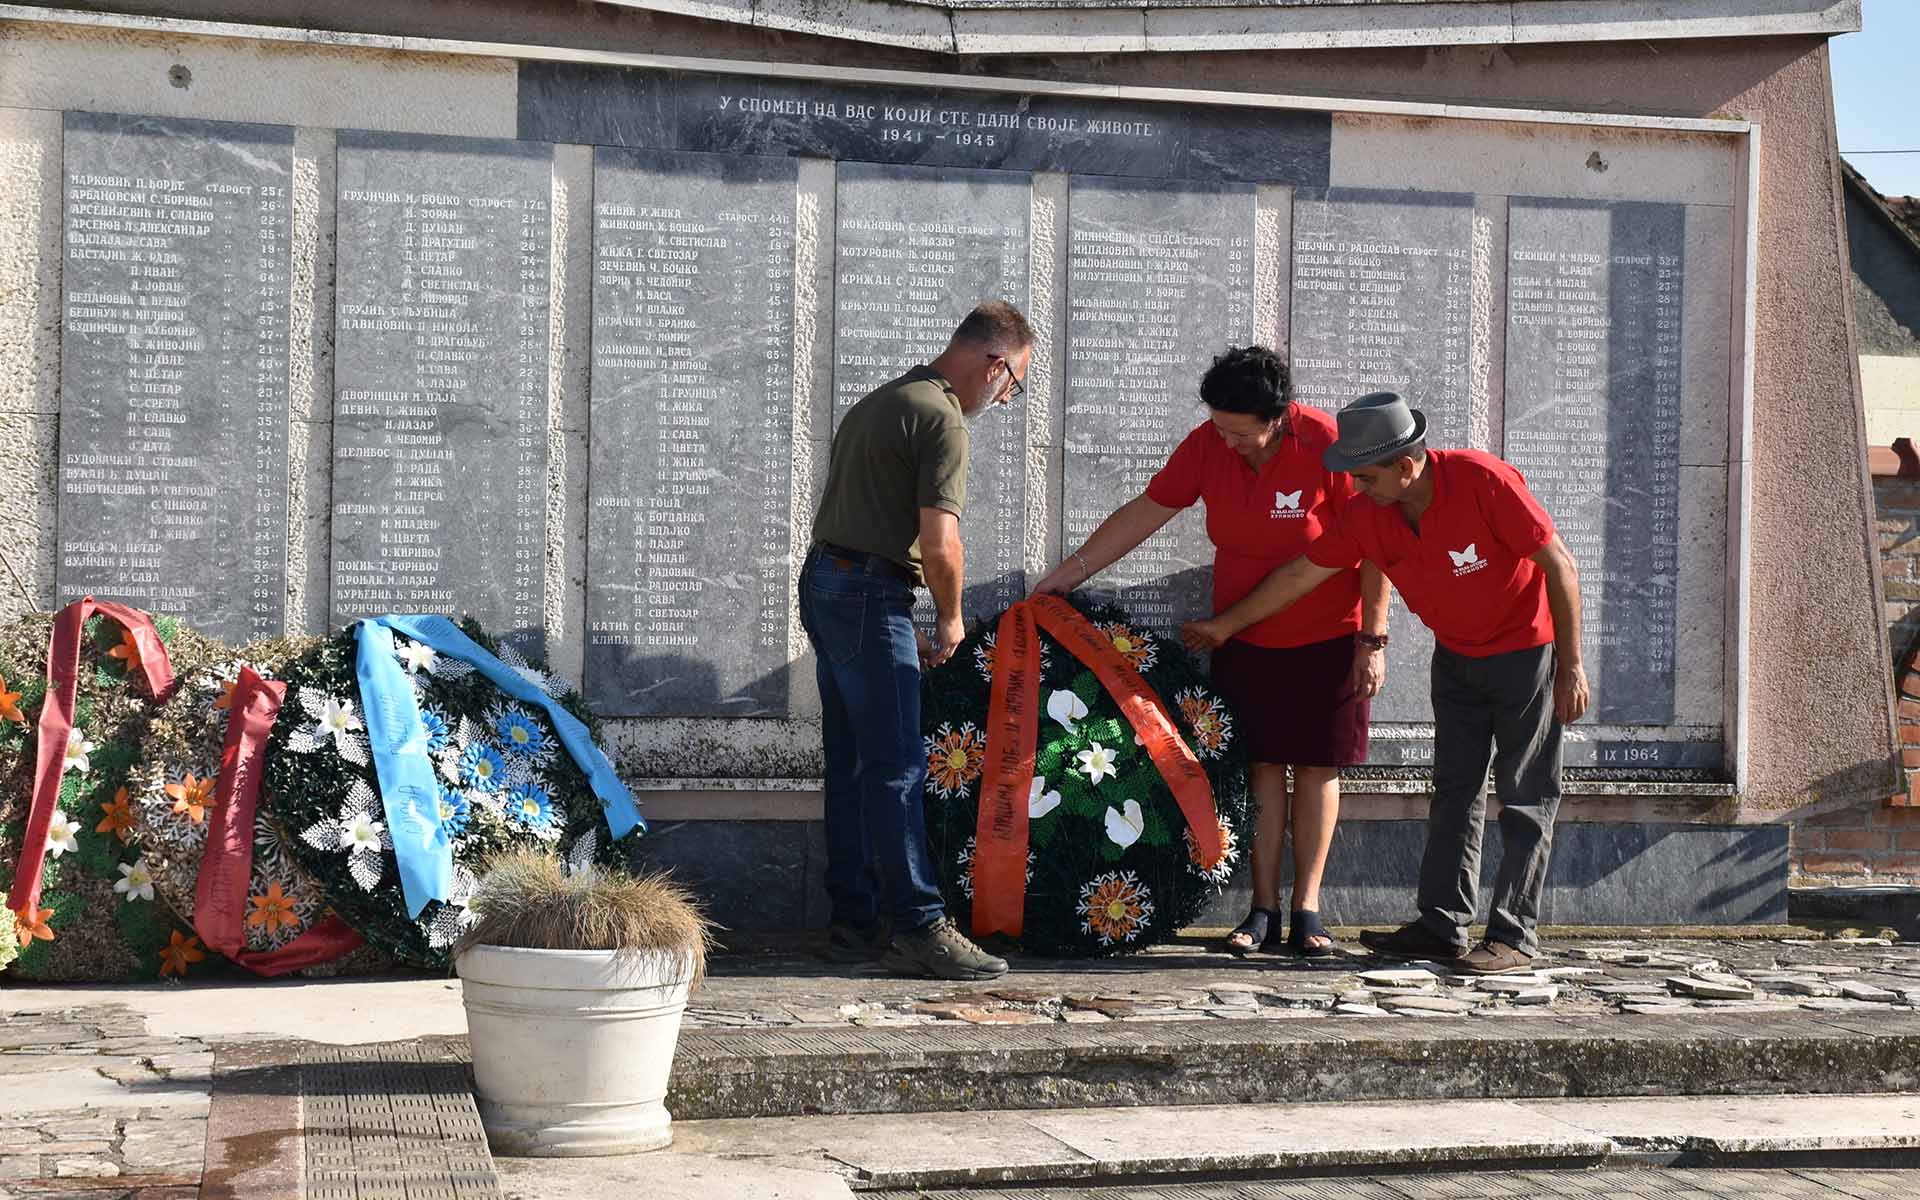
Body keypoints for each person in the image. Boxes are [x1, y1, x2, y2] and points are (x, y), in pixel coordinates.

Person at [1179, 391, 1588, 976]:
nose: (1356, 487)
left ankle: (1514, 934)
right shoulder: (1368, 514)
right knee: (1454, 792)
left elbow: (1560, 565)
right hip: (1456, 658)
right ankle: (1442, 926)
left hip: (1526, 656)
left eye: (1366, 476)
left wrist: (1571, 665)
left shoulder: (1483, 480)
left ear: (1406, 466)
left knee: (1525, 795)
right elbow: (1302, 573)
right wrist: (1225, 627)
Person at [1032, 345, 1390, 959]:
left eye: (1241, 433)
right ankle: (1262, 908)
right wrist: (1068, 575)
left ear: (1279, 417)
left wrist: (1373, 640)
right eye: (1220, 427)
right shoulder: (1207, 444)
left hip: (1330, 636)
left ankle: (1308, 908)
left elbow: (1376, 544)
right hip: (1242, 636)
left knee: (1316, 768)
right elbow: (1147, 511)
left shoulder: (1328, 445)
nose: (1228, 442)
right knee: (1260, 769)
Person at [800, 301, 1034, 981]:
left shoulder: (886, 399)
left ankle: (853, 921)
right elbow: (941, 543)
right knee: (898, 764)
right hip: (871, 596)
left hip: (828, 582)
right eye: (1015, 384)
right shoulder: (942, 418)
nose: (1006, 397)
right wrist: (951, 618)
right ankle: (919, 926)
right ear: (994, 364)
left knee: (852, 762)